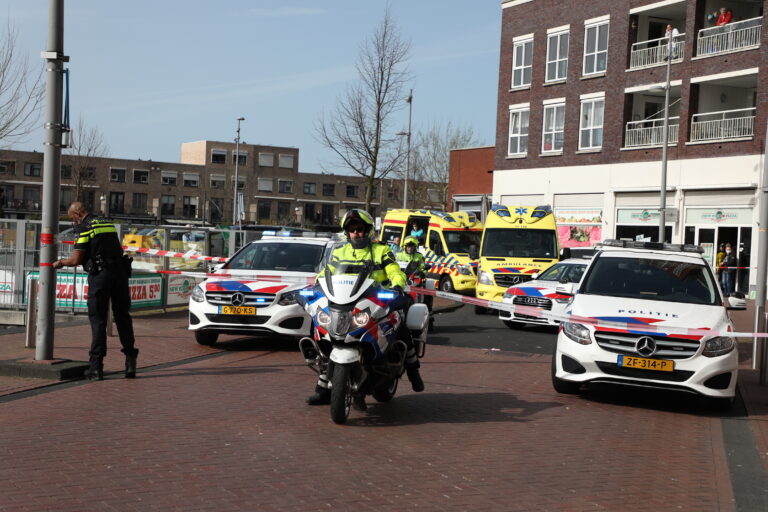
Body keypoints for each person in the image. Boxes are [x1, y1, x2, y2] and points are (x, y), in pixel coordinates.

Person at [306, 209, 424, 406]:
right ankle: (324, 388)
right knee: (320, 326)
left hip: (375, 300)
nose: (356, 233)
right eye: (352, 230)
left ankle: (414, 371)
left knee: (400, 325)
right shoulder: (339, 252)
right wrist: (315, 286)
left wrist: (397, 284)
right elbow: (327, 272)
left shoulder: (380, 250)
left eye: (359, 229)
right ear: (347, 232)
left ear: (368, 230)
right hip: (344, 301)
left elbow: (394, 270)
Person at [53, 202, 138, 380]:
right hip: (120, 274)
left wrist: (60, 262)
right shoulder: (106, 223)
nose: (73, 222)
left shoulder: (84, 228)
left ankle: (96, 368)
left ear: (77, 214)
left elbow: (76, 259)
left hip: (100, 276)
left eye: (72, 218)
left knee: (98, 319)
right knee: (122, 317)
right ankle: (130, 363)